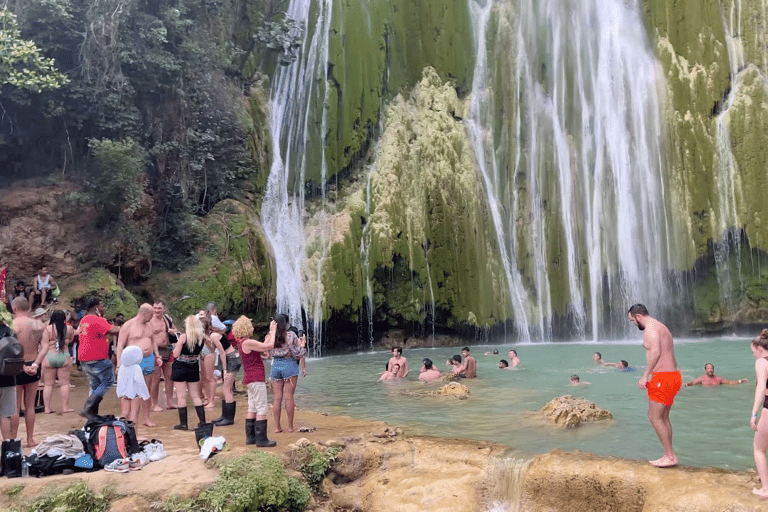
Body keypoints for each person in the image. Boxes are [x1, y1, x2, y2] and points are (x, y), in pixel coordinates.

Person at [629, 303, 681, 468]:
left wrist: (645, 375)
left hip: (662, 378)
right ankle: (669, 454)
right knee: (663, 417)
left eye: (632, 320)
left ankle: (670, 455)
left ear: (638, 316)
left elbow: (657, 352)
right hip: (673, 375)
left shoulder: (651, 329)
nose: (633, 324)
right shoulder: (661, 327)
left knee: (654, 417)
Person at [11, 296, 49, 447]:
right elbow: (45, 346)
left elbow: (9, 348)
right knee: (30, 406)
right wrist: (36, 363)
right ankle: (30, 439)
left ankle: (13, 439)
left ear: (14, 309)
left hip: (16, 365)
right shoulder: (38, 325)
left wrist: (21, 366)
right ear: (28, 307)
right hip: (34, 363)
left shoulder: (12, 325)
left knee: (14, 406)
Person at [116, 304, 161, 428]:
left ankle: (146, 417)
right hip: (133, 361)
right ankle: (127, 417)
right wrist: (119, 364)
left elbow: (153, 341)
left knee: (146, 390)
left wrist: (157, 355)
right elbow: (120, 346)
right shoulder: (128, 325)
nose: (152, 318)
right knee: (130, 390)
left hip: (148, 358)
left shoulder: (149, 325)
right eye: (151, 315)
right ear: (144, 313)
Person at [234, 315, 276, 446]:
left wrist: (267, 340)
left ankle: (251, 437)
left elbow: (265, 352)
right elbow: (270, 345)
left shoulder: (241, 343)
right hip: (256, 378)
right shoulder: (247, 342)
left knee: (252, 407)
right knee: (262, 407)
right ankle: (261, 439)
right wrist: (273, 331)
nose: (252, 328)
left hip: (250, 378)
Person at [77, 298, 120, 419]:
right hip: (97, 357)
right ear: (96, 308)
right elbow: (113, 331)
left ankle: (92, 414)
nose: (104, 308)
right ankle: (88, 407)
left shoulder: (84, 319)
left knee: (95, 384)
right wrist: (124, 328)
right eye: (102, 306)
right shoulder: (97, 320)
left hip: (84, 357)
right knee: (108, 381)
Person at [269, 313, 306, 433]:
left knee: (277, 398)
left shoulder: (270, 336)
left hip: (276, 366)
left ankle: (277, 427)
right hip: (289, 365)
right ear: (285, 323)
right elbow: (298, 353)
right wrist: (303, 344)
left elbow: (267, 352)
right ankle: (290, 427)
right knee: (289, 397)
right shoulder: (291, 335)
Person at [170, 315, 208, 430]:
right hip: (193, 365)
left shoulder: (183, 337)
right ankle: (202, 422)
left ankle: (183, 424)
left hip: (181, 366)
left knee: (181, 396)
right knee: (196, 396)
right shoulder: (202, 337)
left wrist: (175, 346)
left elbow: (175, 354)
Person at [41, 310, 75, 414]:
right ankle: (65, 408)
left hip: (49, 356)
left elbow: (44, 344)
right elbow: (71, 340)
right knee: (64, 384)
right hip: (64, 356)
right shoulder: (69, 328)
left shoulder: (46, 329)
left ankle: (47, 408)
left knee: (48, 385)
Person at [212, 319, 243, 427]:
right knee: (227, 388)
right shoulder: (215, 335)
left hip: (231, 358)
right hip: (232, 357)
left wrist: (224, 369)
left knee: (226, 388)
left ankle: (229, 418)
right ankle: (224, 416)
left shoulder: (214, 336)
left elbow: (222, 353)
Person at [148, 301, 177, 412]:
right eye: (155, 308)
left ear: (163, 309)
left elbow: (174, 329)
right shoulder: (150, 320)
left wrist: (173, 331)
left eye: (159, 308)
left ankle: (169, 402)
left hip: (168, 348)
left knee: (169, 377)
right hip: (156, 350)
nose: (156, 310)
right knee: (155, 378)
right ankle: (154, 403)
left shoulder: (166, 319)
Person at [750, 329, 768, 498]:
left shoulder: (762, 362)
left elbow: (761, 387)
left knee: (759, 449)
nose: (754, 355)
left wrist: (754, 414)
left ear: (758, 347)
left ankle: (766, 489)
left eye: (753, 351)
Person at [116, 344, 149, 434]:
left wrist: (120, 393)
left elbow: (120, 382)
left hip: (124, 395)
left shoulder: (122, 367)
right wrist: (145, 394)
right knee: (134, 415)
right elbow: (140, 382)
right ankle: (134, 436)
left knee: (124, 414)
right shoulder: (136, 368)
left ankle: (121, 435)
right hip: (135, 394)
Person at [684, 363, 748, 387]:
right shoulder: (702, 379)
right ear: (705, 370)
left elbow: (730, 382)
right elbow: (693, 383)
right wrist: (686, 384)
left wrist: (740, 381)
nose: (710, 370)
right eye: (708, 368)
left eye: (712, 368)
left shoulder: (718, 379)